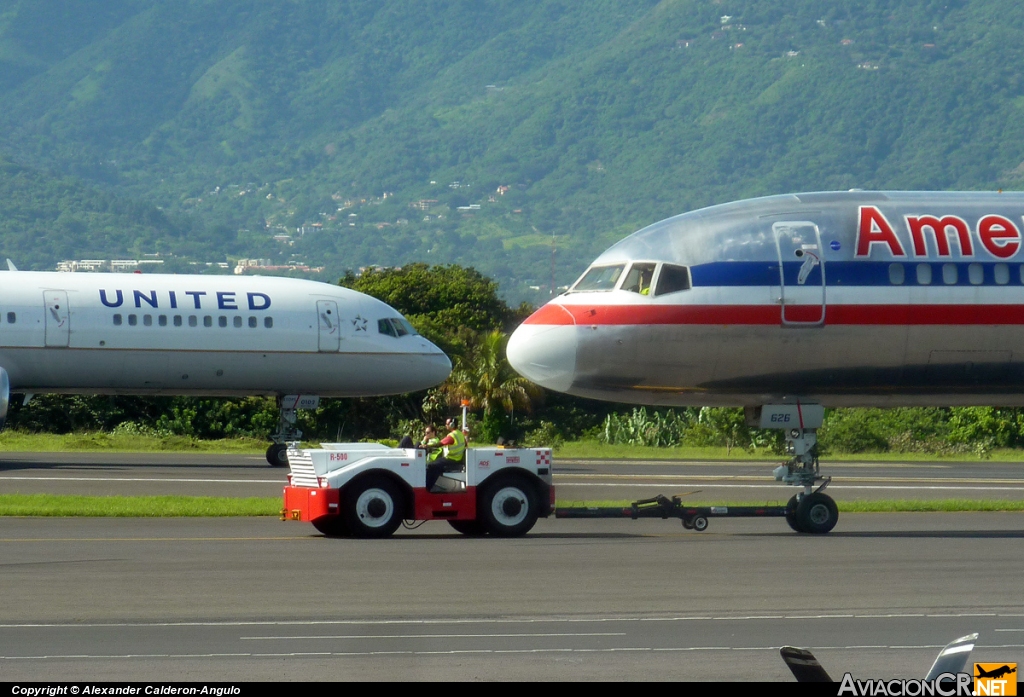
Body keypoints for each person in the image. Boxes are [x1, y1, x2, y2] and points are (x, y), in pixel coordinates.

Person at [425, 417, 467, 491]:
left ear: (452, 424)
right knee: (436, 466)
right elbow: (466, 445)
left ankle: (427, 488)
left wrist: (427, 446)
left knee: (431, 466)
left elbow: (440, 444)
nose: (446, 425)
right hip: (457, 459)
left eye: (447, 424)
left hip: (451, 459)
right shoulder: (460, 434)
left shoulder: (452, 436)